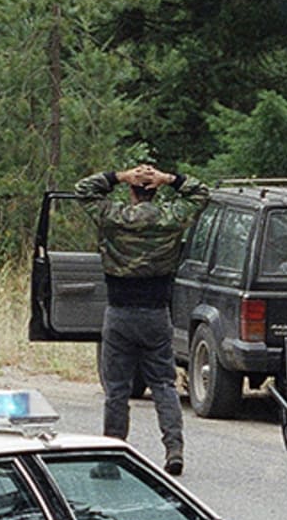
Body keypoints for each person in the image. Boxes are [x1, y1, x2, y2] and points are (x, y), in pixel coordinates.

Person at [74, 162, 209, 474]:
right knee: (163, 383)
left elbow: (83, 189)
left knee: (117, 388)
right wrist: (169, 179)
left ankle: (111, 453)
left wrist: (120, 176)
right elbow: (201, 192)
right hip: (156, 312)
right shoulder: (170, 218)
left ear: (131, 190)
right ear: (155, 190)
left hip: (119, 311)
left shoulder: (113, 216)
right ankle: (174, 448)